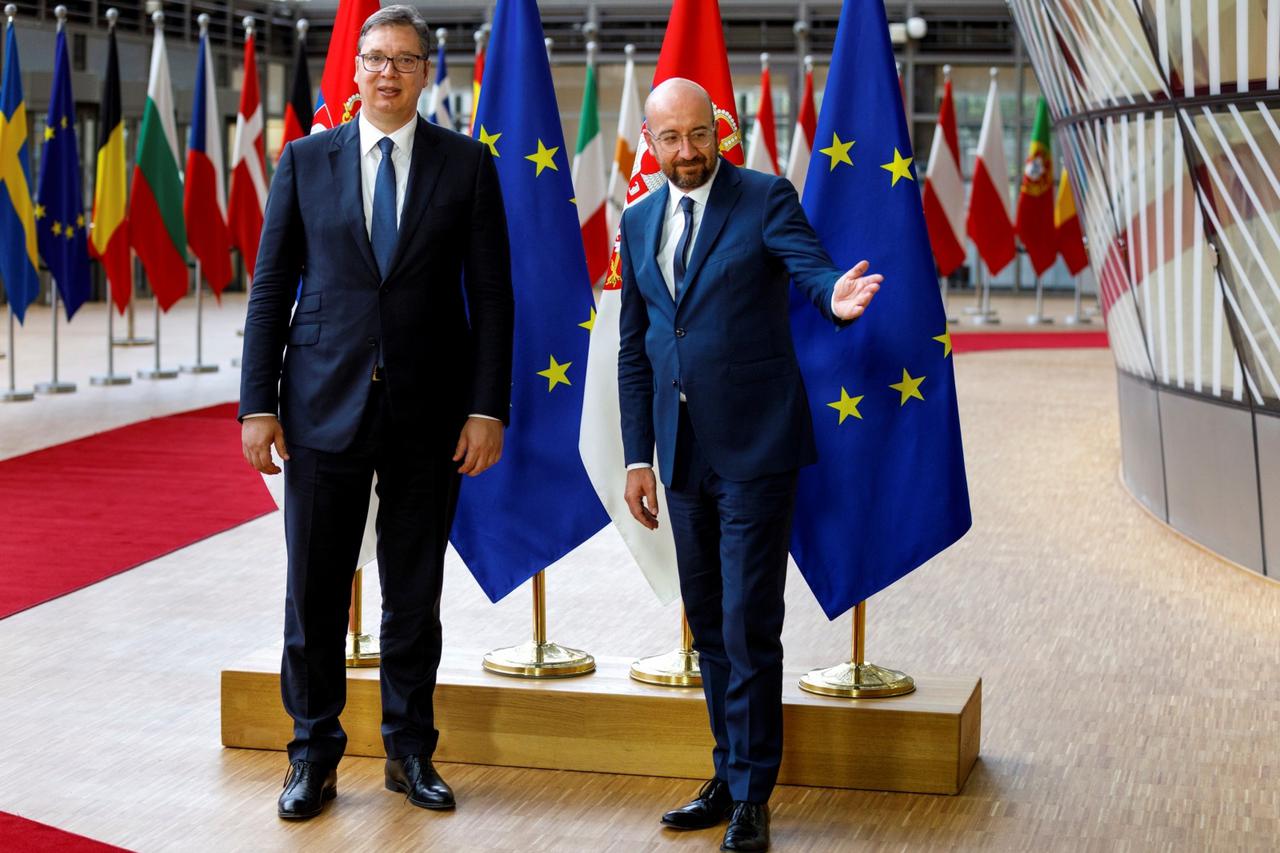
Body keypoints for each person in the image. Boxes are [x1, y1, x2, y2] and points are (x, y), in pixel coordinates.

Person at [238, 5, 513, 821]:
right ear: (354, 70)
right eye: (376, 59)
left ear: (426, 72)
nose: (388, 73)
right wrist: (257, 404)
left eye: (405, 60)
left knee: (414, 594)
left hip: (432, 411)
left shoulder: (466, 164)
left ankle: (410, 750)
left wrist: (487, 407)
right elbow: (270, 287)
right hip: (319, 405)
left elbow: (493, 297)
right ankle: (311, 753)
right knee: (313, 593)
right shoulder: (304, 159)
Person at [617, 78, 882, 853]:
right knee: (707, 622)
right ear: (650, 141)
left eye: (700, 134)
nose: (688, 151)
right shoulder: (637, 219)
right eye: (672, 138)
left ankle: (753, 794)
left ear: (719, 130)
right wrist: (637, 456)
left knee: (747, 621)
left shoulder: (764, 197)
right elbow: (636, 348)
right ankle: (728, 772)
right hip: (680, 452)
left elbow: (812, 267)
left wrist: (834, 296)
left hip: (757, 449)